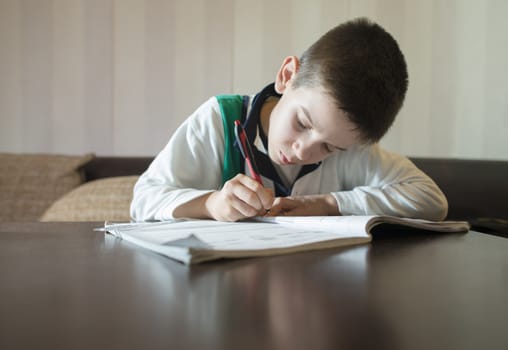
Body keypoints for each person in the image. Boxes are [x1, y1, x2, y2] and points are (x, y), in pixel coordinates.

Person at [130, 17, 448, 222]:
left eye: (328, 148)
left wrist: (329, 203)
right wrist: (211, 204)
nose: (302, 151)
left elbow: (430, 198)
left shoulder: (350, 145)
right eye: (303, 123)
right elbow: (143, 200)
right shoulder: (220, 120)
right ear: (287, 76)